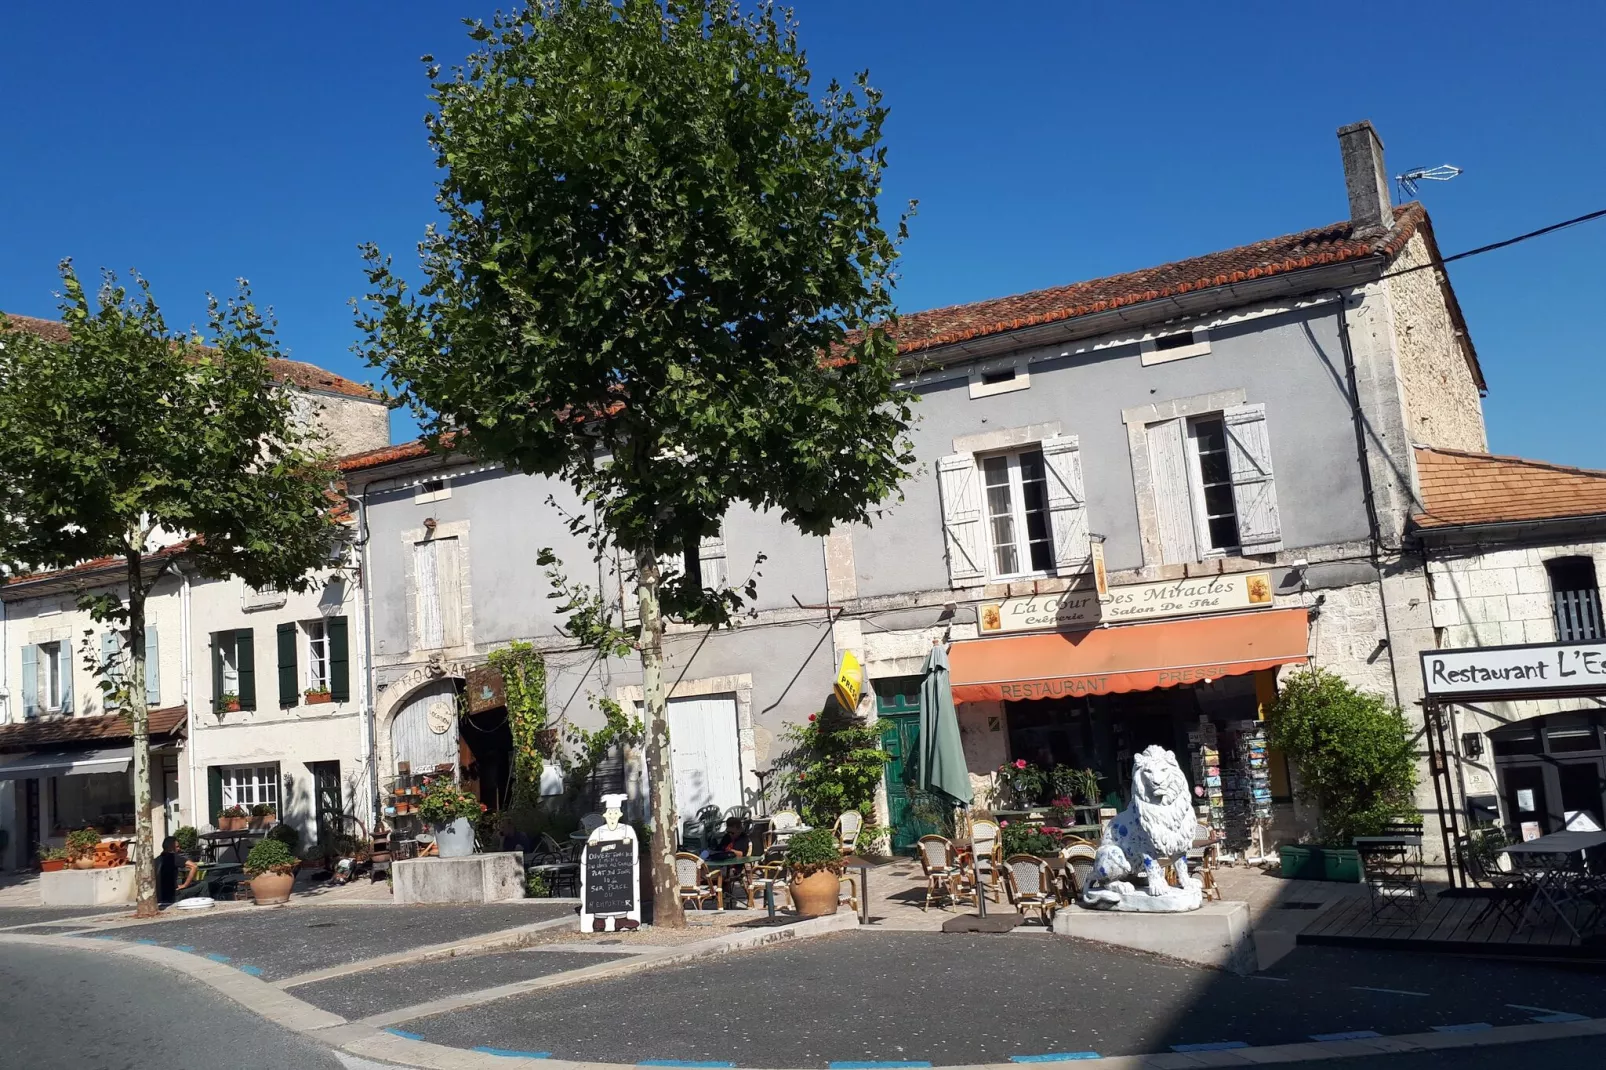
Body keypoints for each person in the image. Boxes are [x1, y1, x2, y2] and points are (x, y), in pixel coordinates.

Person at [156, 835, 200, 906]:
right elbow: (194, 866)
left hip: (159, 897)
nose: (179, 849)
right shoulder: (173, 857)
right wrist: (185, 885)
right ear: (171, 848)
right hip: (173, 896)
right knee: (203, 885)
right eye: (177, 847)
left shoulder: (156, 860)